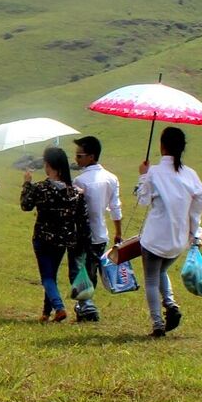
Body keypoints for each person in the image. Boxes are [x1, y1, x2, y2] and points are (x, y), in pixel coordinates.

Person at [136, 126, 202, 337]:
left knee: (150, 279)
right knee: (162, 271)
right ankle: (171, 304)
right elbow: (201, 197)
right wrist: (193, 229)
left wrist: (142, 175)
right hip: (178, 240)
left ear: (162, 145)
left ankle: (158, 324)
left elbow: (142, 201)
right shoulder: (190, 174)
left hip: (155, 238)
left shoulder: (154, 172)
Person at [20, 145, 89, 322]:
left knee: (47, 276)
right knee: (52, 273)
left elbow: (26, 205)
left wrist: (27, 183)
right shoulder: (75, 192)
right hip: (64, 239)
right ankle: (46, 312)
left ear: (48, 165)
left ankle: (59, 307)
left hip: (43, 237)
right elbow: (82, 218)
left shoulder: (41, 188)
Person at [71, 136, 123, 324]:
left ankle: (86, 307)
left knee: (79, 271)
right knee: (91, 271)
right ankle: (86, 307)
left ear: (91, 156)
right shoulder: (112, 178)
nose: (76, 159)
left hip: (82, 234)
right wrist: (118, 231)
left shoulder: (80, 180)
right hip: (101, 234)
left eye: (80, 155)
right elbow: (115, 207)